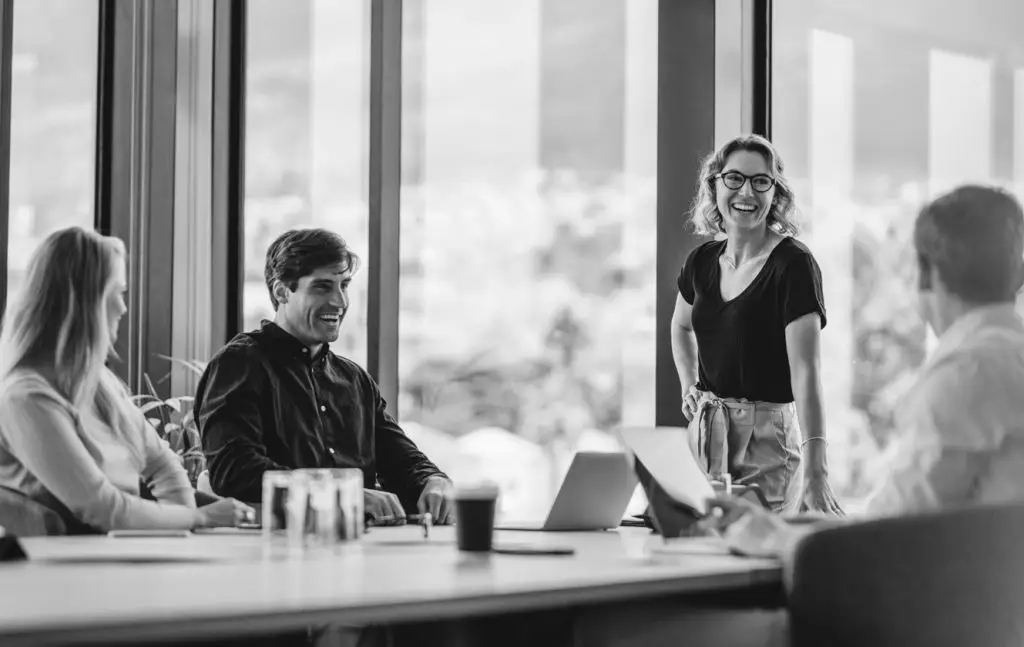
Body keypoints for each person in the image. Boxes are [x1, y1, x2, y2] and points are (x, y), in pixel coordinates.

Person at [710, 184, 1024, 557]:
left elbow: (890, 539)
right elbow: (911, 514)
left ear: (926, 276)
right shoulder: (1006, 358)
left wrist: (769, 537)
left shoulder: (966, 376)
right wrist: (787, 523)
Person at [0, 227, 252, 532]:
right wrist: (199, 517)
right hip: (63, 567)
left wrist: (181, 526)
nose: (123, 307)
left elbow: (162, 463)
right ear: (83, 303)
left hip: (116, 552)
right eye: (116, 293)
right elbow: (102, 508)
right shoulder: (26, 398)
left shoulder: (99, 383)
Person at [195, 228, 453, 524]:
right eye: (322, 287)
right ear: (282, 291)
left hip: (361, 550)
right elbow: (235, 471)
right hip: (275, 554)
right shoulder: (239, 364)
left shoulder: (354, 379)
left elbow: (401, 460)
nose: (340, 302)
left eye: (344, 285)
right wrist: (341, 493)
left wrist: (433, 481)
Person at [672, 134, 841, 514]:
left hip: (766, 441)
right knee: (703, 554)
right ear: (714, 185)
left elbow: (806, 372)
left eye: (760, 181)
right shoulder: (701, 262)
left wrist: (817, 469)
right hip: (704, 434)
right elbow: (680, 327)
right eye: (734, 178)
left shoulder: (793, 265)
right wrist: (689, 386)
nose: (746, 191)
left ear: (775, 193)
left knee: (757, 558)